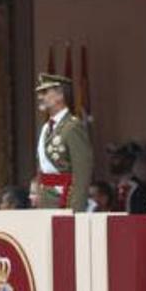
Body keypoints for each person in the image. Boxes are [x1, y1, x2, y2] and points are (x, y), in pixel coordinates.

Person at [33, 73, 92, 212]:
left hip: (65, 199)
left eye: (45, 92)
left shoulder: (72, 127)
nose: (40, 97)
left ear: (60, 95)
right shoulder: (46, 128)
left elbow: (82, 171)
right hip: (46, 200)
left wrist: (76, 210)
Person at [107, 141, 146, 215]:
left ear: (129, 161)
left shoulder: (140, 189)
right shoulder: (112, 186)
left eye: (117, 158)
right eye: (112, 158)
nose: (112, 162)